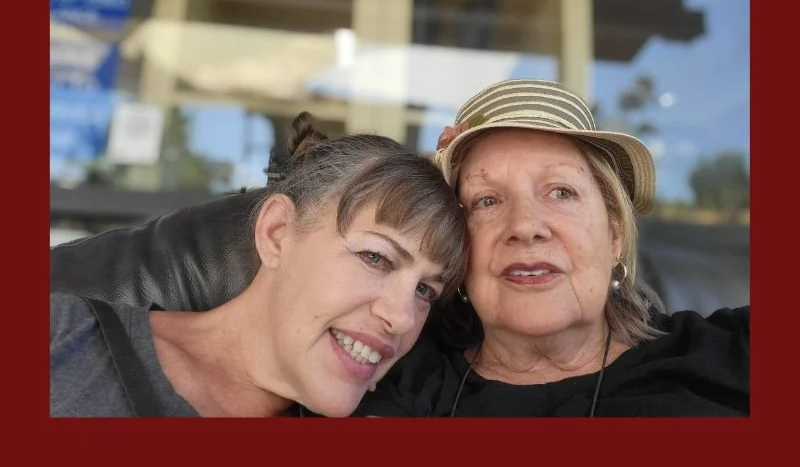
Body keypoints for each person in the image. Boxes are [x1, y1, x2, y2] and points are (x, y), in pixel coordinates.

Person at [355, 79, 749, 417]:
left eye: (561, 192)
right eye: (486, 201)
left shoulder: (734, 353)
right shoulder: (394, 379)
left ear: (614, 237)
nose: (525, 227)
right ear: (457, 250)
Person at [50, 112, 469, 418]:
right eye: (376, 257)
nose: (401, 318)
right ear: (276, 232)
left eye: (425, 291)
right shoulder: (65, 335)